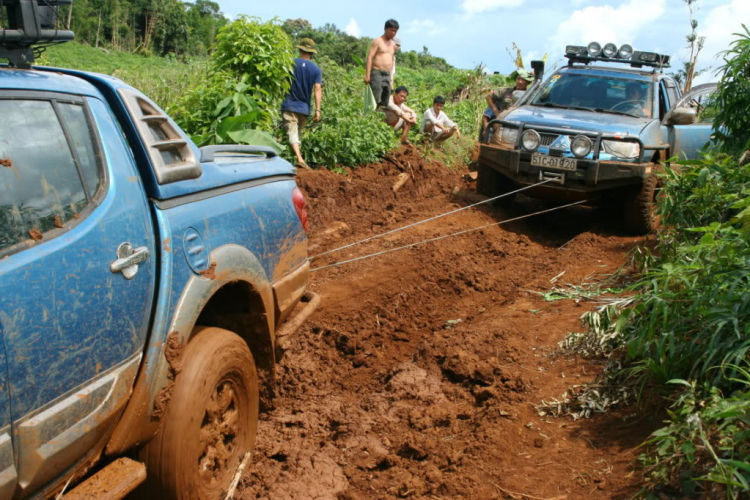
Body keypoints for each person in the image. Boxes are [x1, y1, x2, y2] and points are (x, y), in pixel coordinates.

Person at [280, 38, 323, 170]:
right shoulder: (316, 69)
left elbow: (281, 84)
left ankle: (299, 159)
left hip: (289, 105)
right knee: (295, 134)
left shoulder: (290, 64)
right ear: (311, 53)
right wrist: (318, 110)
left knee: (292, 133)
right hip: (304, 108)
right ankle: (295, 159)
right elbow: (317, 89)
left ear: (300, 50)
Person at [482, 68, 534, 140]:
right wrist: (495, 110)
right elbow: (488, 96)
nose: (520, 82)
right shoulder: (506, 91)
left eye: (523, 80)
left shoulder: (530, 94)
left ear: (527, 82)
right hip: (504, 120)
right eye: (518, 79)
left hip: (522, 122)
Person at [364, 19, 399, 109]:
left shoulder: (393, 45)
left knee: (385, 100)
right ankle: (371, 118)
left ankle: (379, 119)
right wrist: (367, 75)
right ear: (385, 29)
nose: (393, 33)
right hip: (377, 72)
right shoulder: (378, 41)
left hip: (387, 74)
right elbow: (369, 57)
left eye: (395, 31)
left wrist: (391, 79)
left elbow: (391, 61)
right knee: (375, 98)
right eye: (391, 30)